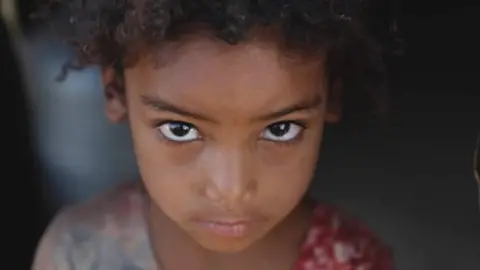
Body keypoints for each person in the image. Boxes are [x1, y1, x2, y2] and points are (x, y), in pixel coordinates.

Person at [31, 1, 394, 269]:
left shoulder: (355, 261)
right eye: (180, 129)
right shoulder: (76, 254)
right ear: (115, 92)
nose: (231, 188)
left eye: (280, 129)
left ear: (331, 95)